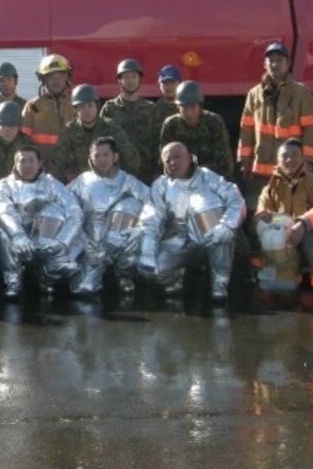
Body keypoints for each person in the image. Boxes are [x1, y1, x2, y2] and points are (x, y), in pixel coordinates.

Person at [138, 142, 245, 303]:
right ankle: (175, 278)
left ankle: (219, 284)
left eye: (177, 157)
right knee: (149, 271)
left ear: (189, 157)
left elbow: (236, 199)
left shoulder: (208, 177)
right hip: (178, 240)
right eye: (168, 160)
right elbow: (151, 219)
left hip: (210, 235)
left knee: (222, 231)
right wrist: (147, 250)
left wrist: (227, 225)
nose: (173, 162)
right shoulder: (160, 185)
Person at [253, 139, 313, 304]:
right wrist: (267, 219)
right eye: (284, 156)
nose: (289, 160)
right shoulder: (270, 189)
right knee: (281, 286)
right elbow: (260, 217)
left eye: (295, 155)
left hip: (310, 239)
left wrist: (303, 223)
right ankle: (290, 274)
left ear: (303, 158)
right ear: (278, 160)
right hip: (286, 245)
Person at [237, 42, 313, 212]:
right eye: (271, 60)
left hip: (290, 169)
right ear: (264, 64)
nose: (274, 64)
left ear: (288, 64)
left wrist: (308, 162)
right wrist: (245, 160)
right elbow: (246, 130)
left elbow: (312, 131)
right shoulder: (254, 95)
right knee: (259, 216)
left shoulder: (301, 93)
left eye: (279, 60)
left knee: (288, 214)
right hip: (260, 171)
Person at [0, 146, 84, 298]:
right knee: (2, 234)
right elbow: (3, 210)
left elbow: (74, 211)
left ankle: (47, 275)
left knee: (53, 211)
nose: (27, 165)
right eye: (22, 161)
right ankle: (13, 280)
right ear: (15, 165)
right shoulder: (4, 185)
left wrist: (64, 241)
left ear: (40, 163)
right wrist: (18, 235)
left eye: (31, 161)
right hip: (20, 239)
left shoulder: (51, 183)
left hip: (47, 238)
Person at [68, 137, 150, 296]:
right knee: (83, 290)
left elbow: (153, 203)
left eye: (106, 154)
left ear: (115, 156)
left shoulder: (127, 180)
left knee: (131, 205)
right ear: (90, 157)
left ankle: (124, 274)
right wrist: (81, 238)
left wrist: (140, 229)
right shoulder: (82, 181)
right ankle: (95, 271)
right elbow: (64, 205)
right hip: (92, 244)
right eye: (97, 155)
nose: (102, 159)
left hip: (121, 239)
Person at [53, 84, 140, 183]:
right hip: (83, 187)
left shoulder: (111, 127)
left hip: (110, 184)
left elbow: (132, 159)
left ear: (97, 106)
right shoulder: (69, 132)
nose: (87, 110)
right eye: (82, 107)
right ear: (76, 109)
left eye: (90, 105)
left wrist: (121, 181)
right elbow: (56, 165)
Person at [100, 58, 159, 185]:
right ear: (120, 81)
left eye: (134, 76)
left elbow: (157, 143)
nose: (130, 81)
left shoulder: (151, 109)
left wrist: (157, 172)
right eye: (126, 77)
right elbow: (100, 141)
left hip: (146, 174)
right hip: (117, 173)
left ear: (139, 80)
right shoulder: (110, 108)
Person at [159, 80, 234, 180]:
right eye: (184, 108)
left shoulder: (214, 122)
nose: (189, 112)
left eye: (193, 107)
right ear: (178, 107)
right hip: (180, 180)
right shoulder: (171, 125)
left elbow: (225, 162)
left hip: (210, 179)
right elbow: (165, 161)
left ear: (200, 105)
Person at [21, 53, 76, 168]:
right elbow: (23, 144)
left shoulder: (77, 105)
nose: (56, 81)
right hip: (41, 171)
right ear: (43, 80)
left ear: (67, 78)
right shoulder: (32, 107)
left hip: (71, 171)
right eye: (51, 77)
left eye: (60, 76)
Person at [151, 65, 183, 139]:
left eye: (172, 82)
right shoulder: (152, 110)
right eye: (165, 83)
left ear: (180, 83)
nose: (169, 86)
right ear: (159, 86)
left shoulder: (187, 109)